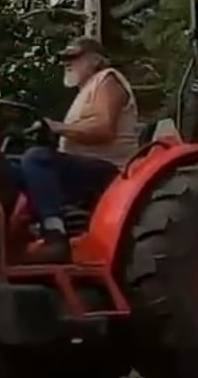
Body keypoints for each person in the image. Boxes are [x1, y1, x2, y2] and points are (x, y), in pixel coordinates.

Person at [8, 33, 141, 261]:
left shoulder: (108, 79)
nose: (67, 63)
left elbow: (104, 128)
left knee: (37, 159)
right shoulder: (85, 92)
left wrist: (58, 128)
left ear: (96, 60)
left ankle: (55, 237)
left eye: (75, 57)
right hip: (83, 168)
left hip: (110, 172)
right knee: (5, 168)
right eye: (65, 59)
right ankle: (8, 242)